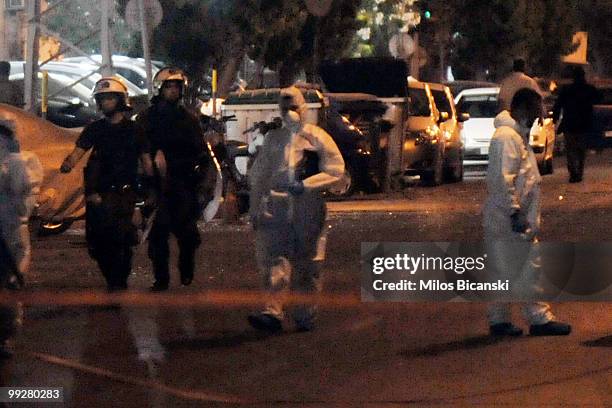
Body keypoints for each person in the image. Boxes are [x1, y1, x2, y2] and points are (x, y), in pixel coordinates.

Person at [247, 86, 345, 333]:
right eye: (284, 108)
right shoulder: (273, 139)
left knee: (308, 264)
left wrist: (307, 184)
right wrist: (255, 208)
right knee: (274, 262)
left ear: (301, 108)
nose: (289, 113)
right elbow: (259, 176)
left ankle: (305, 315)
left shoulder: (316, 137)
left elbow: (336, 169)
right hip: (277, 207)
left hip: (308, 208)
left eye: (292, 107)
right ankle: (273, 313)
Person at [484, 88, 571, 337]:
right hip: (509, 220)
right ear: (523, 109)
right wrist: (515, 212)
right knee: (520, 268)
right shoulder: (507, 138)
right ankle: (535, 319)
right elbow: (503, 179)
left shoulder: (514, 136)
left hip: (511, 219)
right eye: (535, 112)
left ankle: (507, 320)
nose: (538, 119)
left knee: (514, 269)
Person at [60, 77, 154, 292]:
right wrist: (67, 165)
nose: (105, 103)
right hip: (97, 195)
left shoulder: (134, 130)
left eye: (110, 98)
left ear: (121, 101)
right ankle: (113, 278)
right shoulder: (95, 129)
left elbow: (146, 161)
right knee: (97, 243)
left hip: (125, 194)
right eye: (101, 99)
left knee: (121, 239)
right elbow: (77, 153)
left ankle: (118, 282)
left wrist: (150, 188)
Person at [136, 67, 208, 291]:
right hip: (156, 185)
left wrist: (200, 179)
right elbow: (139, 147)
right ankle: (161, 278)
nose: (173, 90)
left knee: (188, 234)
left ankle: (186, 267)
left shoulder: (188, 118)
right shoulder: (147, 117)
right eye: (169, 86)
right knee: (158, 235)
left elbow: (200, 151)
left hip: (182, 183)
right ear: (160, 88)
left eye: (177, 86)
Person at [0, 119, 39, 358]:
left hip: (8, 232)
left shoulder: (15, 163)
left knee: (8, 284)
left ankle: (3, 338)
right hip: (9, 231)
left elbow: (22, 194)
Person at [552, 66, 602, 183]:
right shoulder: (588, 89)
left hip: (570, 123)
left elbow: (558, 105)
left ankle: (574, 172)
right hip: (583, 124)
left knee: (571, 149)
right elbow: (599, 98)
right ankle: (578, 171)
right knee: (580, 150)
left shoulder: (567, 90)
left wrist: (555, 118)